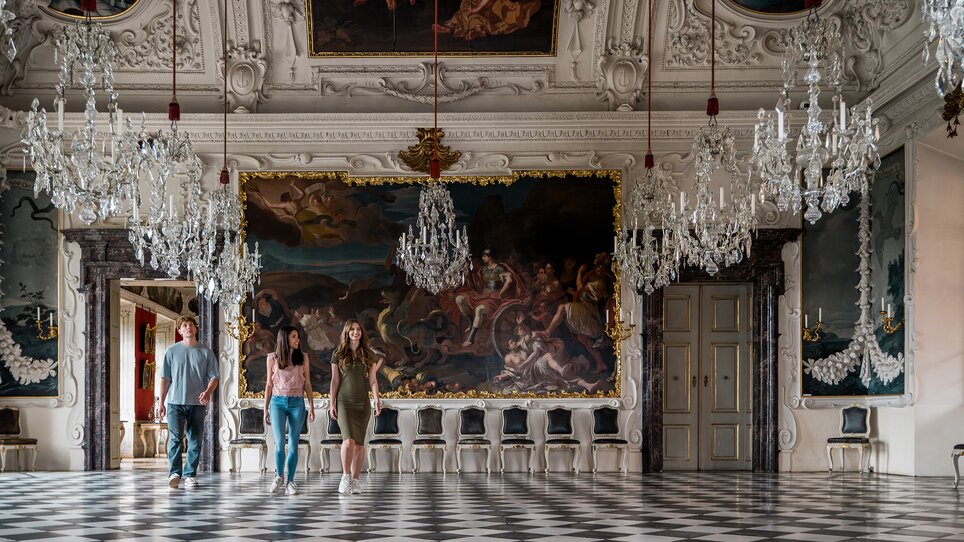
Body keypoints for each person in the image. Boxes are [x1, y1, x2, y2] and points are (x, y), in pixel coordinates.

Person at [158, 315, 219, 489]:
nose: (188, 327)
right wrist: (161, 402)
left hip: (197, 403)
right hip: (174, 403)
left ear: (196, 328)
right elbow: (165, 378)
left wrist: (207, 392)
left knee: (195, 440)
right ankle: (174, 473)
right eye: (184, 325)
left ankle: (190, 475)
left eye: (191, 324)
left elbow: (215, 377)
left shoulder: (206, 352)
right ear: (179, 330)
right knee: (175, 439)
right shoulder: (171, 351)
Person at [329, 319, 384, 495]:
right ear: (347, 332)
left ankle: (355, 480)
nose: (355, 332)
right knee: (348, 441)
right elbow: (335, 380)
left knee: (360, 444)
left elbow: (373, 380)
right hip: (344, 402)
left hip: (363, 403)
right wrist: (332, 403)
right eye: (352, 330)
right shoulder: (338, 354)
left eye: (358, 329)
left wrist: (377, 400)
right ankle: (345, 477)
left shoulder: (369, 354)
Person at [264, 326, 315, 495]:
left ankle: (291, 481)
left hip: (297, 403)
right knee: (279, 444)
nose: (297, 340)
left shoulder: (304, 358)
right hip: (277, 403)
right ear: (285, 338)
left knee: (293, 445)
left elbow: (307, 383)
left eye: (298, 337)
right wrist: (265, 409)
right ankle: (279, 476)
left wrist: (312, 406)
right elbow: (269, 385)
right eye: (294, 337)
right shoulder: (272, 358)